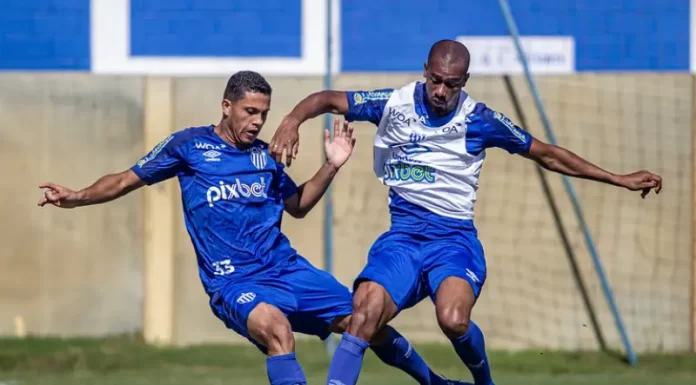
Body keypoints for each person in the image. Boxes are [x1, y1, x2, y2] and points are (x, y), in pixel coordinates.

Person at [269, 40, 663, 385]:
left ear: (465, 81)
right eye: (436, 80)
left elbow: (546, 153)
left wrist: (618, 178)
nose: (441, 90)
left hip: (452, 239)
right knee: (364, 313)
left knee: (453, 319)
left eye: (452, 84)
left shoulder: (480, 120)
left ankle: (483, 381)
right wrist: (291, 120)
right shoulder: (393, 104)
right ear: (425, 71)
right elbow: (327, 99)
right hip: (403, 236)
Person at [37, 71, 468, 385]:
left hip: (286, 269)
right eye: (249, 112)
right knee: (277, 331)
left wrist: (331, 166)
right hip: (233, 280)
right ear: (227, 106)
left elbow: (298, 206)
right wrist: (77, 196)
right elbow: (124, 179)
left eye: (263, 113)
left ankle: (435, 383)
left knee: (364, 320)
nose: (257, 122)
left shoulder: (265, 156)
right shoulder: (189, 147)